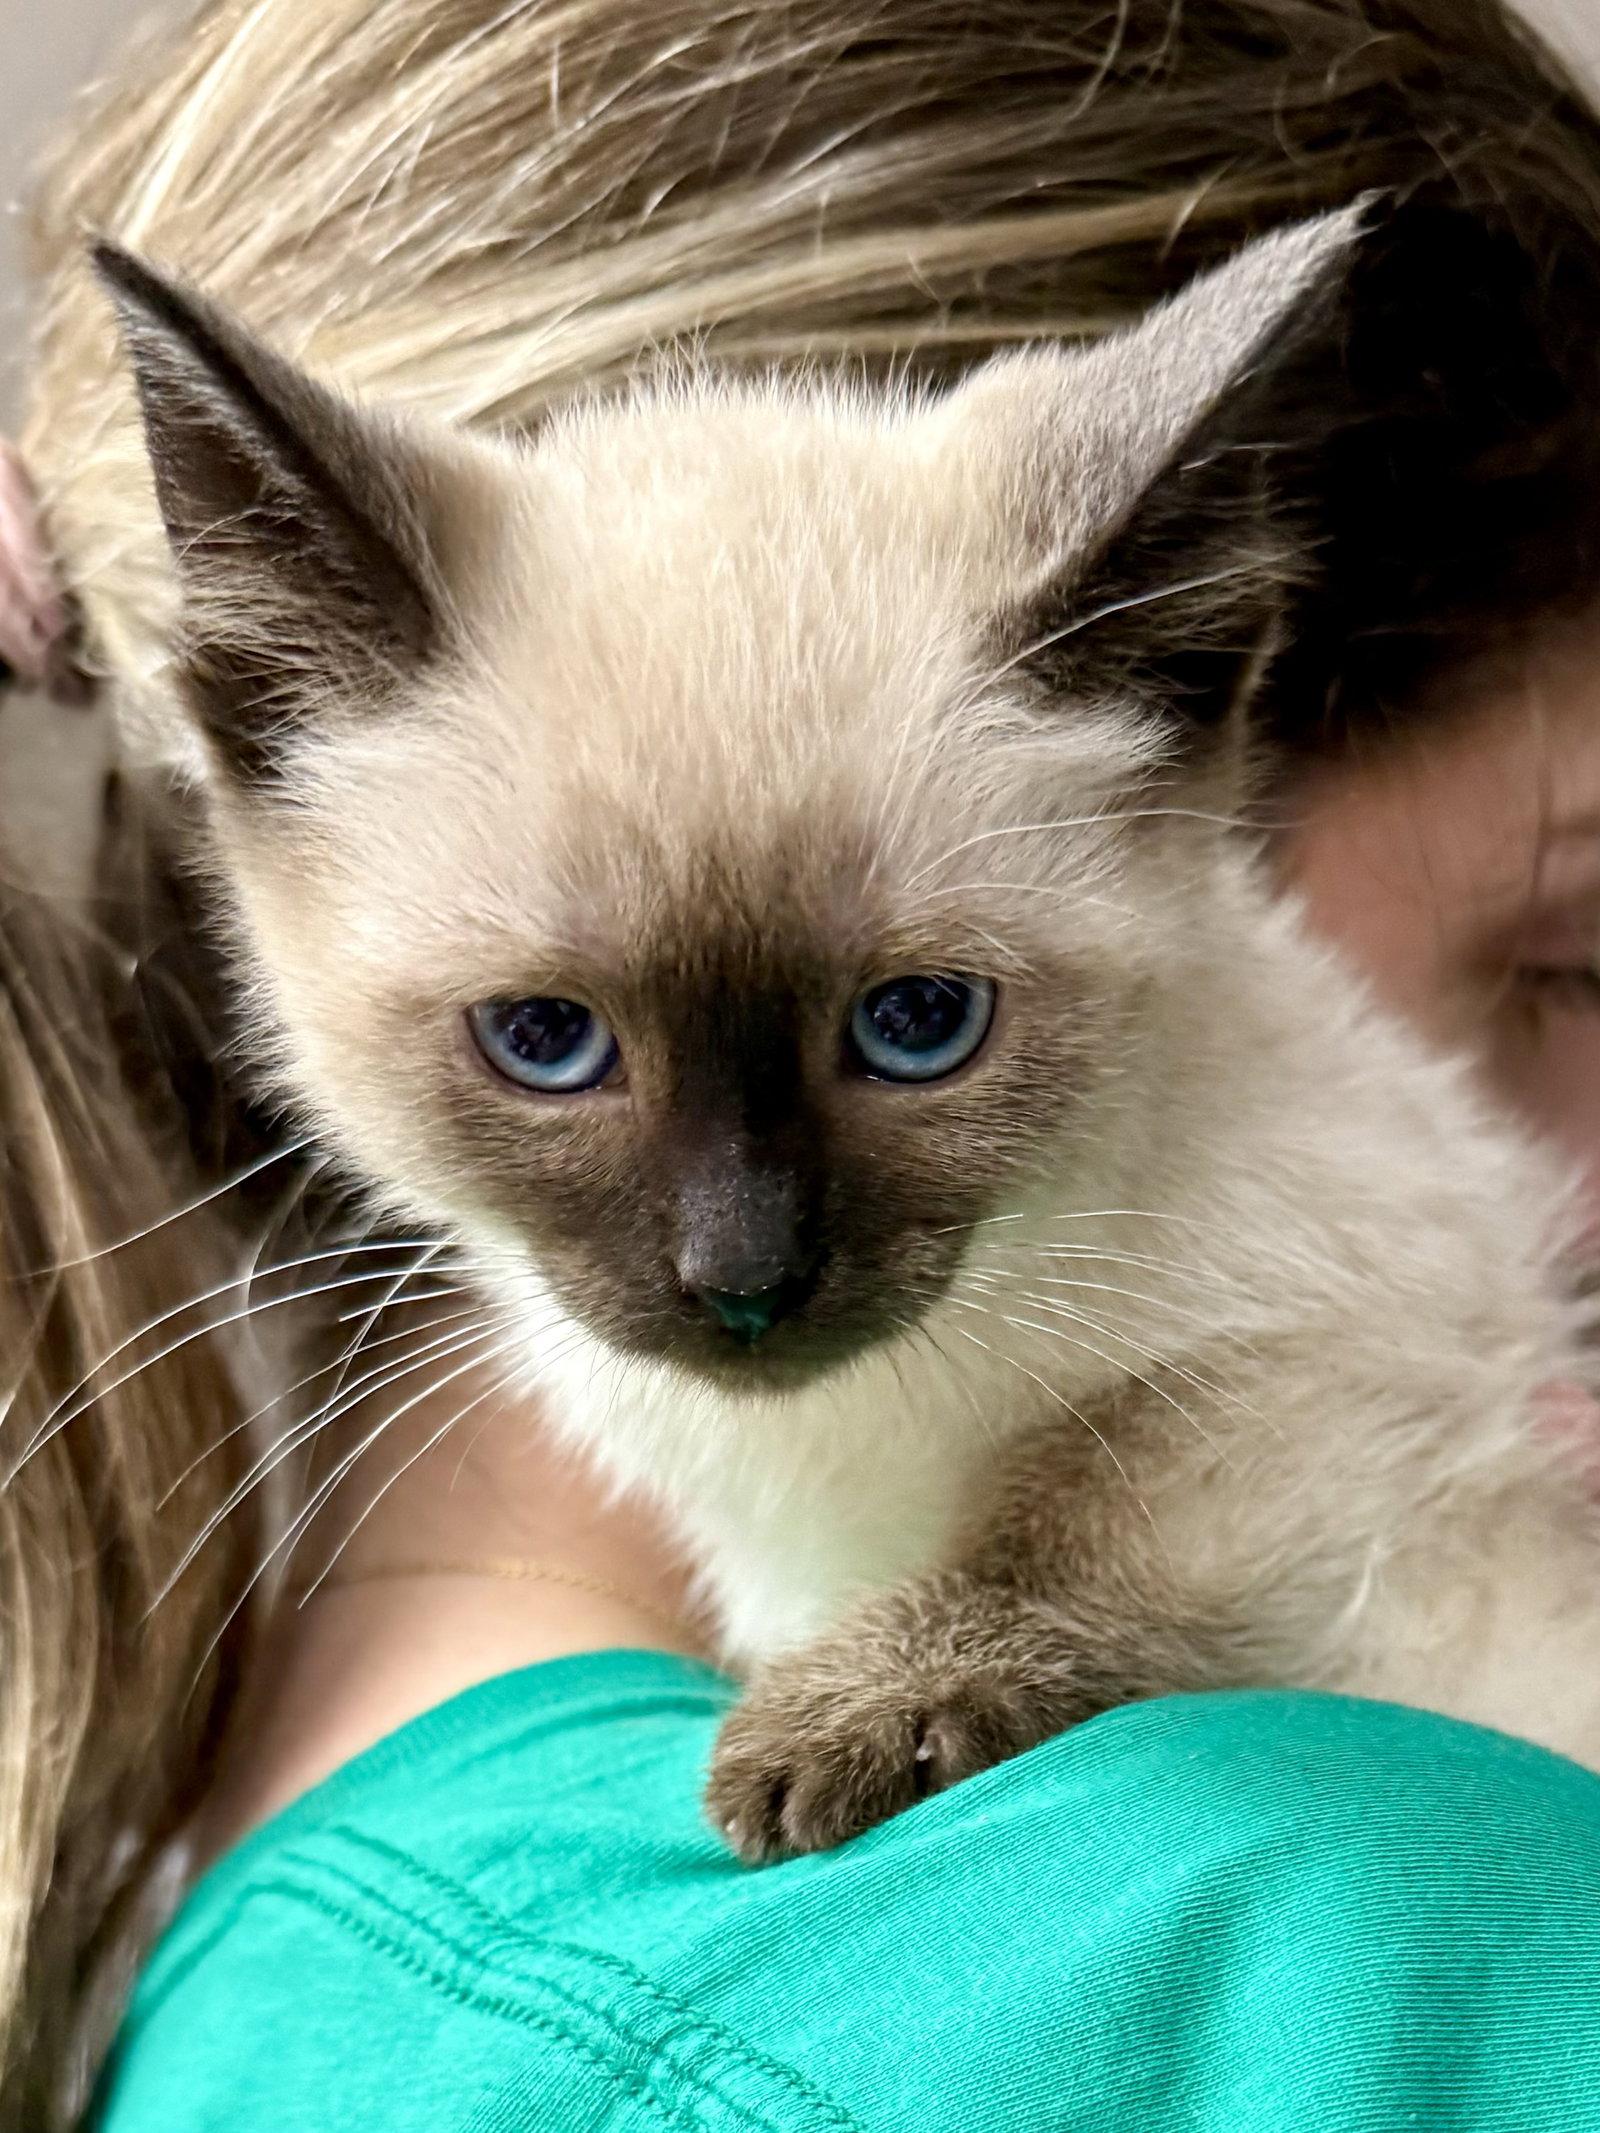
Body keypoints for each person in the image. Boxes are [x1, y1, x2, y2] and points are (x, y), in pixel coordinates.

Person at [3, 0, 1600, 2123]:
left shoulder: (241, 1974)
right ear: (1240, 773)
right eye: (1574, 959)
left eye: (913, 1025)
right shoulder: (1384, 1959)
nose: (736, 1245)